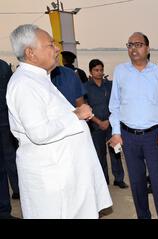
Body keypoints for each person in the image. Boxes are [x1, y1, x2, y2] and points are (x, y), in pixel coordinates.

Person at [7, 24, 112, 219]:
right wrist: (76, 115)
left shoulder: (39, 78)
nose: (57, 49)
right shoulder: (24, 84)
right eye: (50, 45)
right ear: (30, 53)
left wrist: (73, 113)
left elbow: (51, 116)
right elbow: (39, 133)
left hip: (65, 175)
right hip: (53, 180)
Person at [109, 32, 158, 219]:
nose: (133, 48)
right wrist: (116, 132)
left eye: (138, 44)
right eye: (130, 45)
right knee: (136, 184)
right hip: (128, 137)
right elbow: (115, 106)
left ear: (147, 47)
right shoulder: (120, 71)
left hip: (153, 136)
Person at [84, 59, 128, 189]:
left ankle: (119, 178)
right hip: (95, 125)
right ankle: (103, 180)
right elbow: (85, 107)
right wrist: (98, 122)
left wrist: (109, 121)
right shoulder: (85, 87)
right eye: (96, 70)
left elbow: (117, 103)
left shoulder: (110, 85)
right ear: (90, 71)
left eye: (101, 70)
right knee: (100, 154)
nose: (99, 73)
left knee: (116, 151)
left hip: (111, 124)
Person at [0, 59, 17, 219]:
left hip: (4, 122)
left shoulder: (3, 66)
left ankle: (4, 211)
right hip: (4, 122)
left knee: (6, 165)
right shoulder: (3, 66)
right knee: (7, 164)